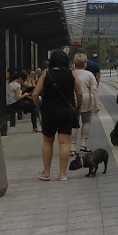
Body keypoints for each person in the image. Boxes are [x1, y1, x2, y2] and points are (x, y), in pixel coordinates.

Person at [32, 50, 83, 181]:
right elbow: (79, 93)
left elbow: (35, 94)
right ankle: (63, 174)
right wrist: (78, 106)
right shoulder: (72, 74)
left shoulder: (46, 74)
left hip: (49, 112)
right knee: (64, 143)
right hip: (66, 112)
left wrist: (39, 105)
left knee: (48, 141)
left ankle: (46, 173)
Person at [71, 53, 100, 155]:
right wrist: (97, 103)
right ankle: (83, 145)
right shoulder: (89, 74)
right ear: (85, 64)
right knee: (86, 121)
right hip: (86, 99)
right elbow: (94, 89)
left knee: (74, 123)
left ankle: (72, 147)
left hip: (73, 99)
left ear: (74, 63)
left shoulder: (71, 73)